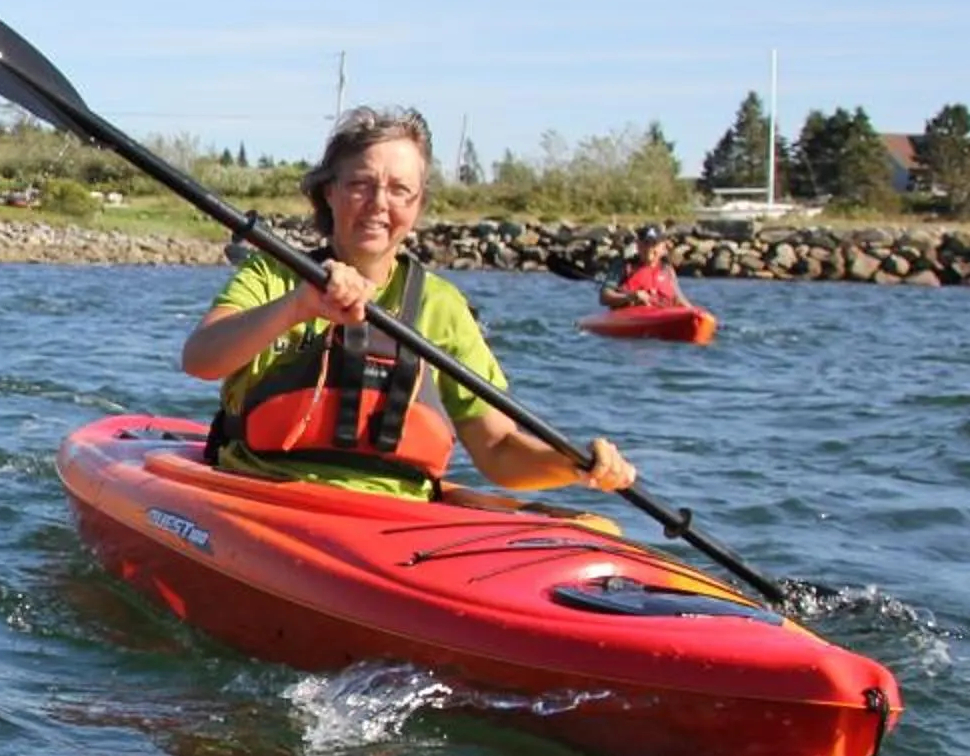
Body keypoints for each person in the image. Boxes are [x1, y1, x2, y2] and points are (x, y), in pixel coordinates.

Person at [180, 106, 636, 500]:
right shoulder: (274, 276)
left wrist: (573, 465)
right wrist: (298, 306)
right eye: (360, 183)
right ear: (329, 192)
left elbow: (497, 452)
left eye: (400, 190)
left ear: (417, 205)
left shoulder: (442, 306)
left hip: (392, 518)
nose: (379, 204)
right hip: (267, 494)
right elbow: (201, 359)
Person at [598, 224, 689, 310]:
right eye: (645, 243)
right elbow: (604, 297)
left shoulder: (667, 270)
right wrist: (629, 297)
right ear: (638, 245)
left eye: (654, 244)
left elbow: (678, 298)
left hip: (661, 314)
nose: (649, 248)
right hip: (630, 316)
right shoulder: (623, 266)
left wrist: (695, 313)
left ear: (663, 248)